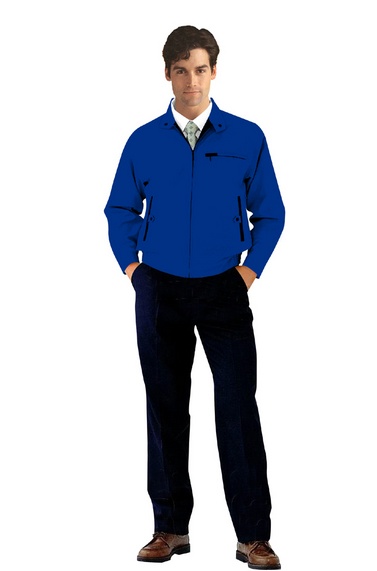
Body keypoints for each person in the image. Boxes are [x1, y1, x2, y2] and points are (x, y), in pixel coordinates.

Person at [104, 25, 285, 570]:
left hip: (224, 288)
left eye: (201, 69)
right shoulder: (143, 141)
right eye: (181, 70)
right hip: (158, 288)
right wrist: (134, 268)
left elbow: (271, 213)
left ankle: (253, 536)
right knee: (164, 408)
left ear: (214, 72)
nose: (191, 81)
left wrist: (248, 272)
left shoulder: (246, 137)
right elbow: (119, 209)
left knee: (237, 407)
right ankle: (169, 528)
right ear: (167, 74)